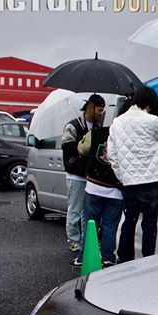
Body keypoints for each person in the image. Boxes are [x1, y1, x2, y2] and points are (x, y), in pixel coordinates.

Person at [108, 87, 158, 262]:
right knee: (149, 224)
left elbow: (112, 153)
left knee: (129, 222)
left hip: (129, 182)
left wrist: (121, 175)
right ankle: (147, 261)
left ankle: (124, 260)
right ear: (149, 104)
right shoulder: (152, 121)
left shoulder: (117, 122)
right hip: (151, 181)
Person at [72, 125, 123, 267]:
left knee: (90, 224)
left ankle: (83, 257)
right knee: (110, 225)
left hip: (94, 186)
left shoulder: (96, 132)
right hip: (116, 188)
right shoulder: (126, 134)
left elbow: (82, 149)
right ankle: (108, 257)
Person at [61, 94, 105, 253]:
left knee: (90, 210)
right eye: (99, 110)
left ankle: (88, 239)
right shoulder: (72, 126)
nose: (101, 113)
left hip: (92, 176)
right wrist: (82, 149)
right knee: (75, 208)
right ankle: (74, 239)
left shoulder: (99, 128)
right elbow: (67, 150)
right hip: (76, 175)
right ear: (90, 108)